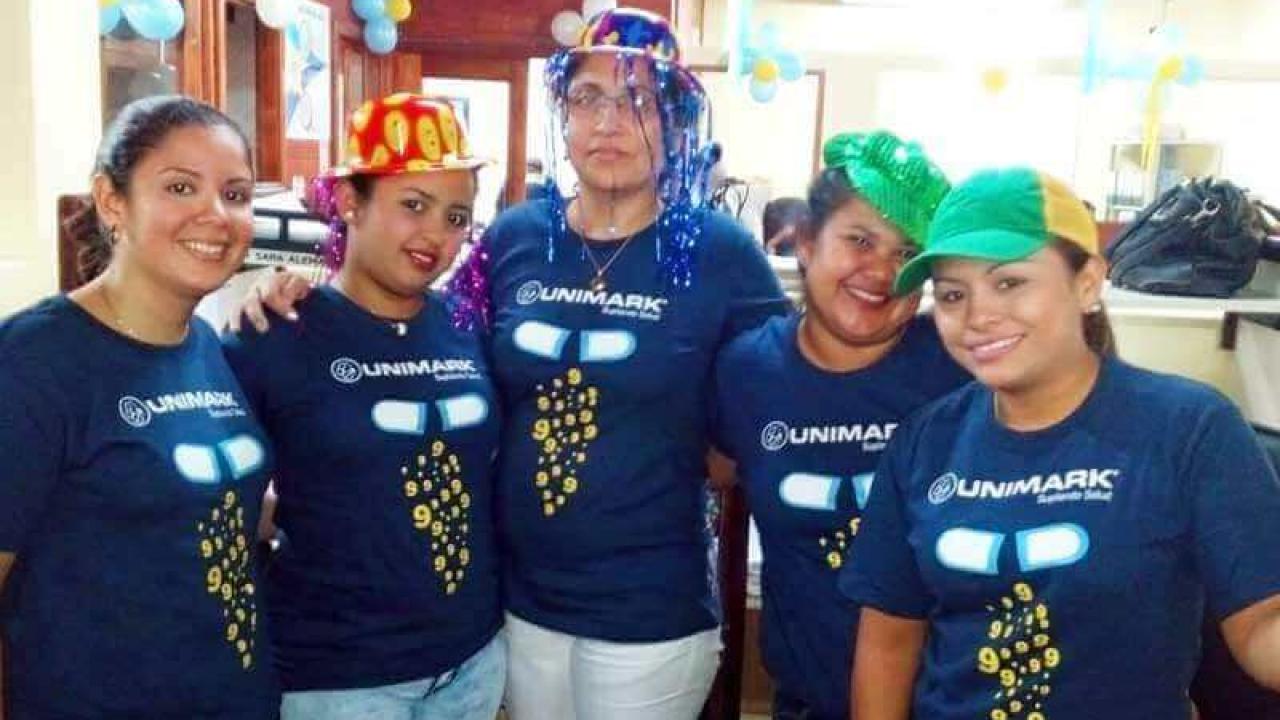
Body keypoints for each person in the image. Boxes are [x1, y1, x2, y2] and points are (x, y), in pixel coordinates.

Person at [235, 10, 788, 717]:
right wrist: (301, 283)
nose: (609, 122)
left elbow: (779, 389)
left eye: (639, 101)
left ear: (676, 120)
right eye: (588, 97)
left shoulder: (720, 251)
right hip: (516, 603)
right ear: (564, 113)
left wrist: (705, 452)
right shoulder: (517, 235)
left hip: (649, 601)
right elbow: (425, 325)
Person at [842, 167, 1280, 719]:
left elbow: (1262, 624)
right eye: (953, 294)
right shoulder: (925, 442)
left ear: (1087, 283)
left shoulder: (1189, 429)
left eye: (1010, 283)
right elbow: (888, 641)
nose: (978, 316)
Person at [222, 94, 505, 720]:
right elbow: (213, 503)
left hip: (473, 663)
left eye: (457, 216)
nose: (436, 234)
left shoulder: (468, 328)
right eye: (414, 205)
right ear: (350, 201)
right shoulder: (274, 333)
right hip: (340, 680)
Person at [0, 96, 277, 719]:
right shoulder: (33, 361)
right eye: (181, 187)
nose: (216, 214)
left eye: (235, 194)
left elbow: (190, 511)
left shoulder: (205, 343)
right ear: (111, 200)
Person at [712, 131, 968, 720]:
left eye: (907, 254)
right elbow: (712, 469)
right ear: (805, 242)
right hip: (807, 698)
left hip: (948, 703)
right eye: (861, 240)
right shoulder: (749, 370)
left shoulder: (959, 367)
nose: (882, 271)